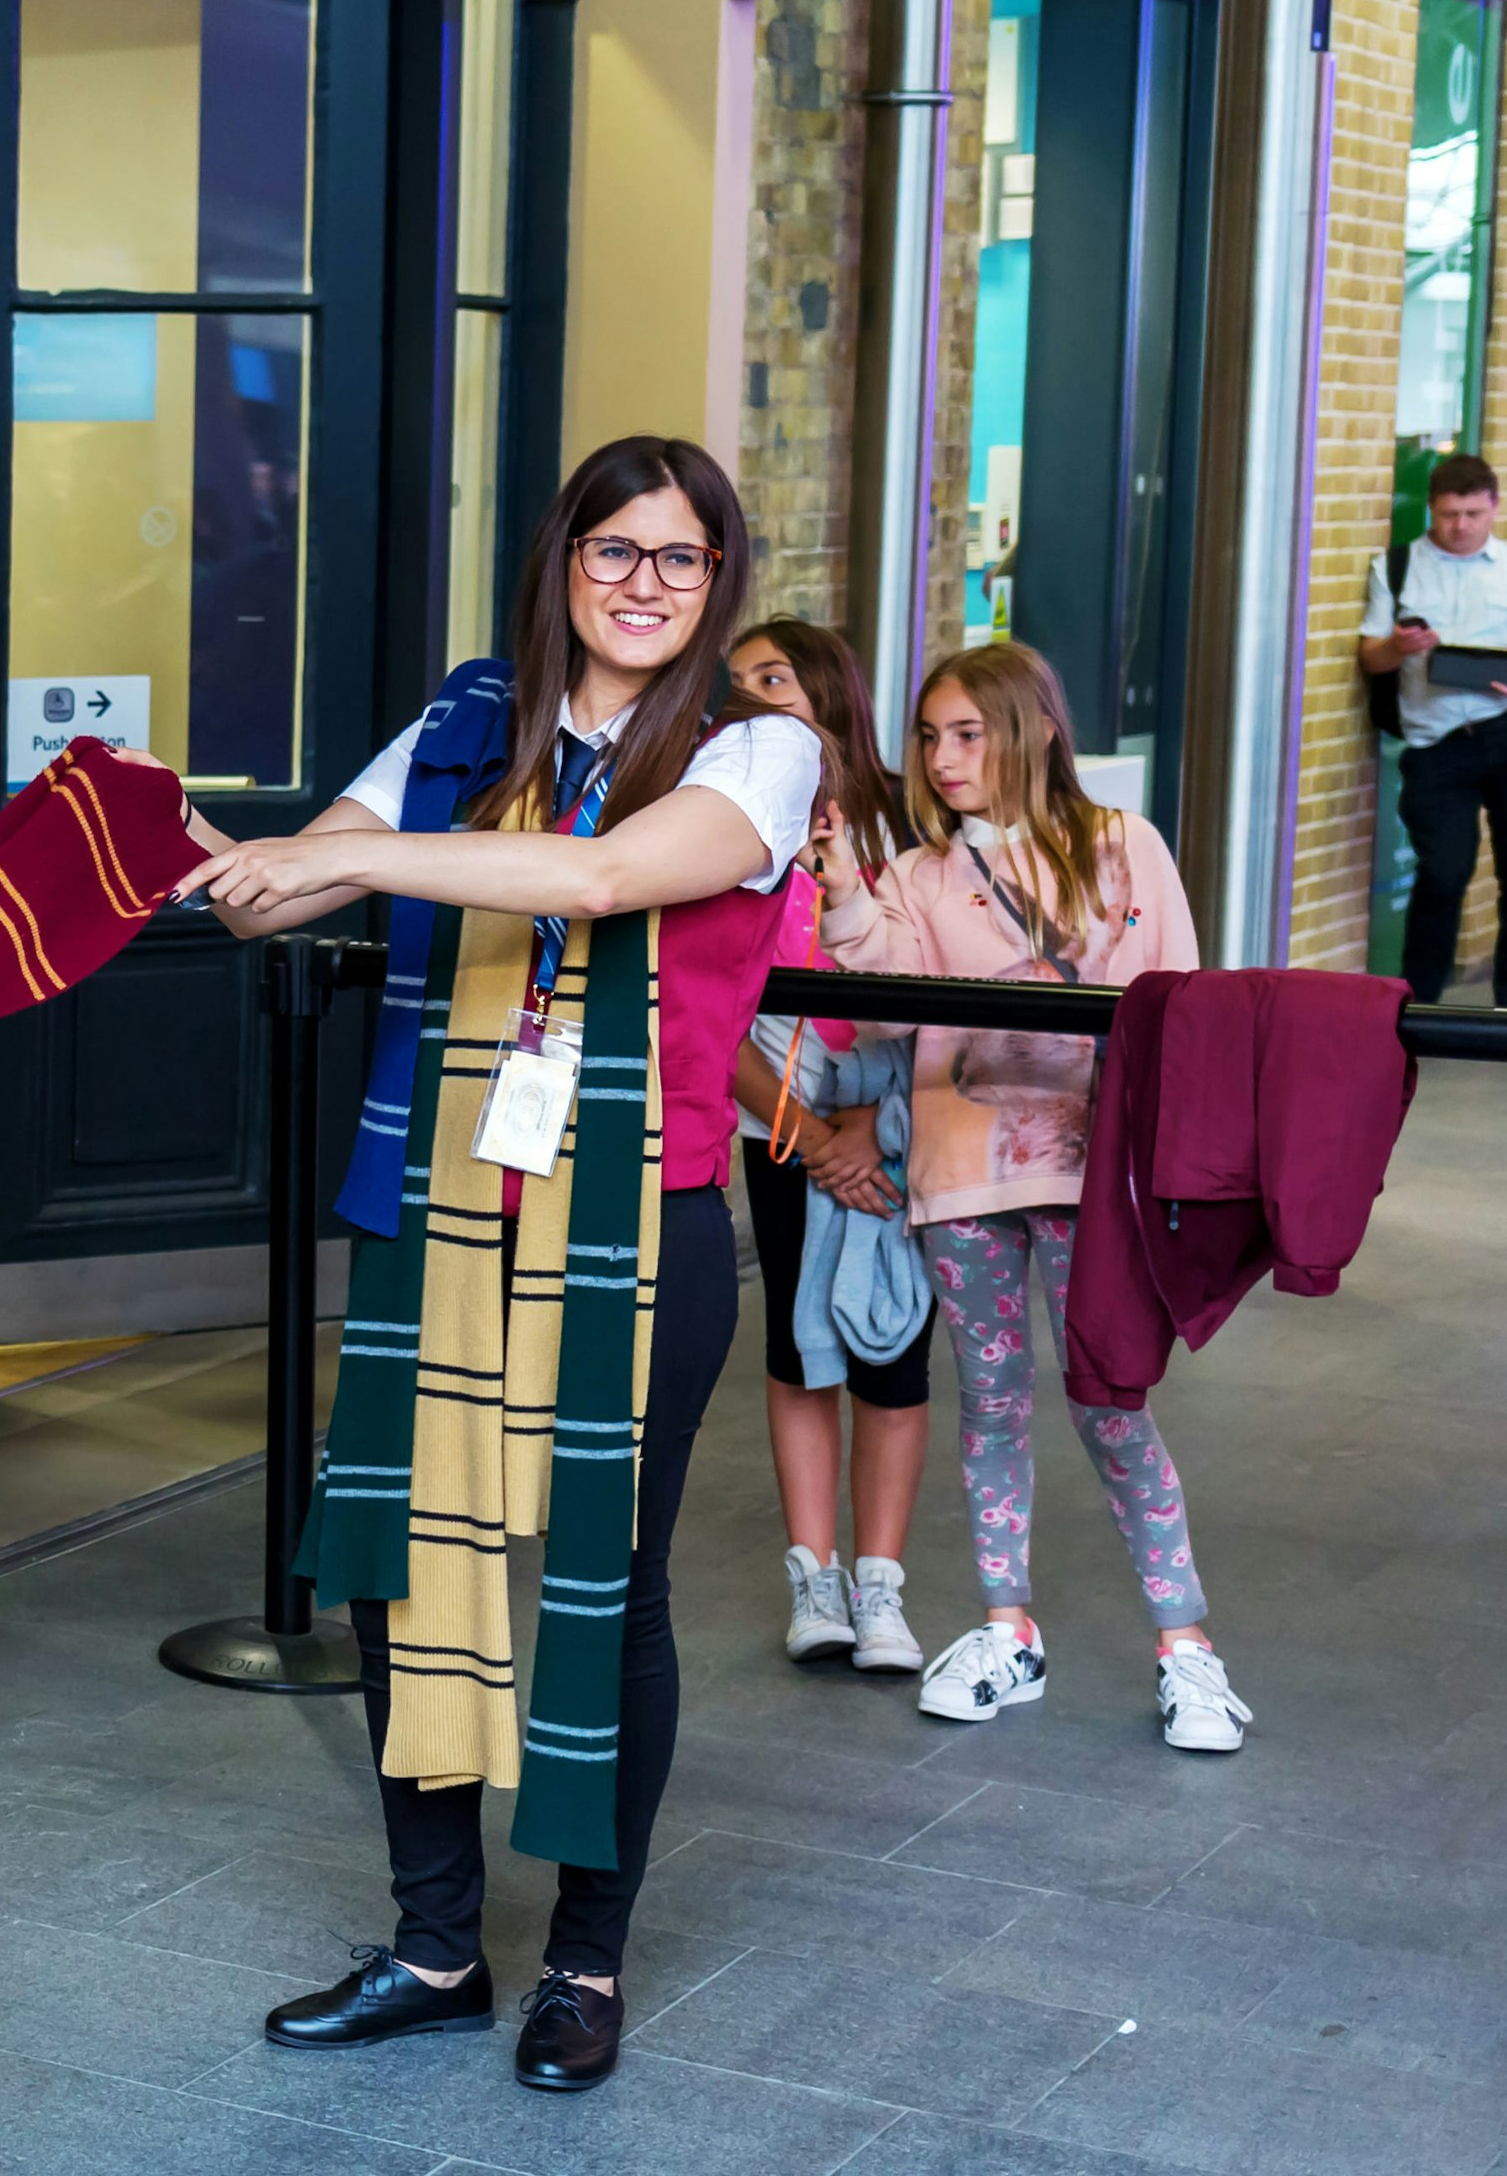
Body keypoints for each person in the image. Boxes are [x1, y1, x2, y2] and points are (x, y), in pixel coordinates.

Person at [173, 436, 821, 2092]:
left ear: (717, 576)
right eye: (614, 551)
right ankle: (437, 1945)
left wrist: (353, 857)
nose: (642, 585)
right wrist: (198, 851)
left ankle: (588, 1964)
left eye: (678, 559)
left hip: (636, 1219)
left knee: (610, 1580)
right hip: (450, 1204)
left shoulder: (759, 754)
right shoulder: (471, 723)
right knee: (405, 1558)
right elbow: (288, 885)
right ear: (564, 562)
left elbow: (603, 878)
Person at [819, 643, 1244, 1754]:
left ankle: (1186, 1645)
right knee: (994, 1399)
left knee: (1111, 1402)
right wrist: (845, 894)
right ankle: (1009, 1627)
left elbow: (1181, 1005)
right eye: (929, 737)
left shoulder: (1123, 848)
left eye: (969, 733)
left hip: (1091, 1172)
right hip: (962, 1170)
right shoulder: (919, 875)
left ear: (1035, 730)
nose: (945, 757)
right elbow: (882, 1011)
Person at [723, 621, 930, 1675]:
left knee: (893, 1352)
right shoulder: (726, 825)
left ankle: (881, 1584)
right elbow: (710, 1010)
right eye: (736, 684)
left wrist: (872, 1131)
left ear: (829, 694)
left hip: (902, 1119)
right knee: (799, 1348)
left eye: (773, 679)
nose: (750, 699)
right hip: (780, 1120)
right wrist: (806, 1134)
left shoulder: (914, 822)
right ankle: (815, 1575)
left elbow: (946, 987)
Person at [1359, 452, 1507, 1009]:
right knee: (1442, 872)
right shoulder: (1396, 566)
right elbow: (1371, 658)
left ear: (1494, 508)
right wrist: (1398, 647)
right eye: (1448, 514)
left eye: (1472, 515)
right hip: (1436, 743)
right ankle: (1420, 1006)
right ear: (1431, 508)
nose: (1460, 527)